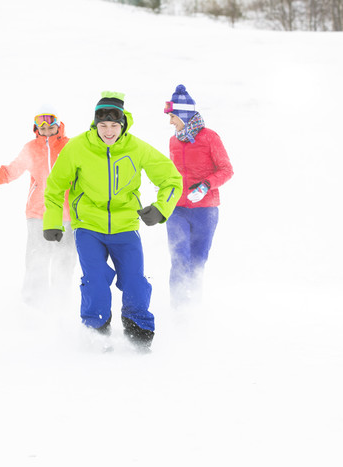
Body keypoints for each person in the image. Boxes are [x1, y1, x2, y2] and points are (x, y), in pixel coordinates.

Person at [43, 91, 182, 350]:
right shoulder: (77, 148)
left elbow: (172, 179)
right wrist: (52, 221)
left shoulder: (137, 148)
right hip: (88, 225)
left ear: (123, 124)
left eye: (114, 125)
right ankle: (96, 332)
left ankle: (138, 332)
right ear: (95, 125)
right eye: (103, 125)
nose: (108, 131)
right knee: (95, 281)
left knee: (134, 282)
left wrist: (162, 208)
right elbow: (54, 187)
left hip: (125, 225)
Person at [0, 106, 77, 308]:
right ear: (36, 127)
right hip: (38, 214)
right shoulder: (31, 148)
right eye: (42, 125)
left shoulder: (71, 147)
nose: (46, 129)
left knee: (64, 263)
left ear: (59, 125)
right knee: (36, 261)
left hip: (68, 216)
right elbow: (7, 173)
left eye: (51, 124)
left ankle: (59, 306)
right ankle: (32, 306)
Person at [163, 84, 233, 310]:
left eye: (173, 116)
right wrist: (165, 186)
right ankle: (178, 310)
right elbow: (172, 173)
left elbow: (226, 170)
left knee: (196, 264)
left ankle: (192, 310)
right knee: (179, 259)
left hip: (206, 210)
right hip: (177, 209)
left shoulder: (210, 137)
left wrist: (205, 185)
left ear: (184, 114)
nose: (171, 122)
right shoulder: (173, 140)